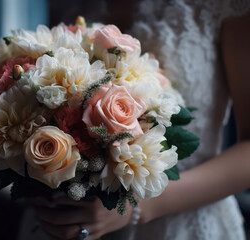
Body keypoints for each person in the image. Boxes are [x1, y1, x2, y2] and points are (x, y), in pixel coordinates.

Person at [17, 0, 250, 239]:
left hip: (181, 223)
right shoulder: (69, 5)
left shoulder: (226, 6)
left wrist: (137, 207)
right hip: (66, 218)